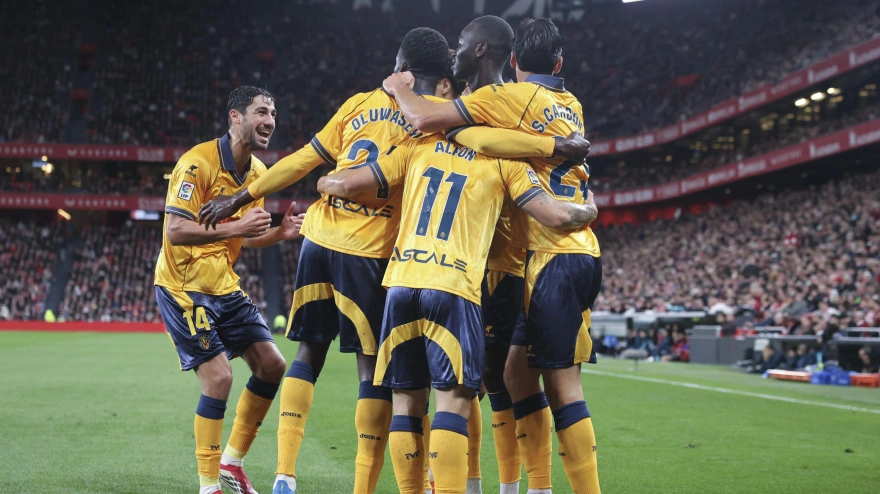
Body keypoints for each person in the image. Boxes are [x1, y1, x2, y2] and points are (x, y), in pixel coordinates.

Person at [197, 28, 581, 494]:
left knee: (314, 359)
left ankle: (281, 473)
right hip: (406, 262)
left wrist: (252, 193)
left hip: (339, 249)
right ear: (442, 81)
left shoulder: (367, 107)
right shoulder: (446, 126)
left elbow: (311, 164)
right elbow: (522, 176)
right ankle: (454, 484)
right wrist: (555, 153)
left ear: (399, 65)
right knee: (438, 389)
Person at [317, 109, 598, 494]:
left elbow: (347, 184)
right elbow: (554, 213)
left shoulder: (418, 145)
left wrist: (324, 181)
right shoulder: (505, 161)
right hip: (455, 284)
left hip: (399, 285)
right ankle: (494, 486)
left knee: (406, 405)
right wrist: (590, 209)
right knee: (460, 400)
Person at [383, 16, 602, 494]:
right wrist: (585, 200)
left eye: (462, 43)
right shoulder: (572, 104)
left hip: (528, 259)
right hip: (570, 254)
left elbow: (430, 120)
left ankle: (510, 485)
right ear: (559, 63)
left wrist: (398, 87)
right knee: (510, 378)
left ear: (511, 60)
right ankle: (518, 487)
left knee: (489, 388)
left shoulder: (500, 100)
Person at [154, 85, 303, 494]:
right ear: (235, 117)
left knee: (273, 365)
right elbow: (177, 230)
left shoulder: (257, 175)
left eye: (273, 112)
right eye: (260, 111)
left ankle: (231, 463)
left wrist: (278, 234)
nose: (270, 120)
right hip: (183, 287)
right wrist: (238, 225)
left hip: (224, 285)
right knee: (219, 379)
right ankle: (209, 487)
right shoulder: (196, 163)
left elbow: (243, 238)